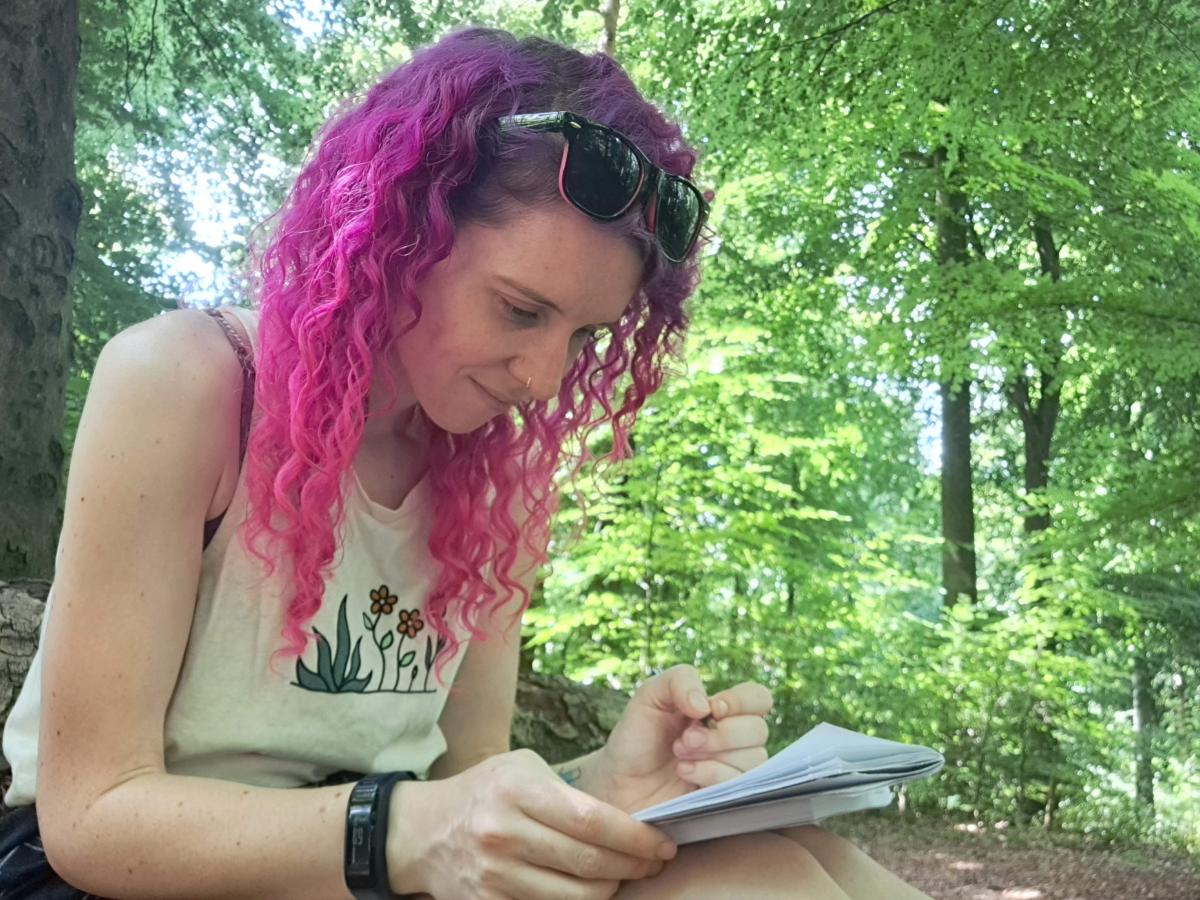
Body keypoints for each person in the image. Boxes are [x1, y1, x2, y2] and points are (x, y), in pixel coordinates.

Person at [0, 27, 931, 900]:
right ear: (397, 238)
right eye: (522, 311)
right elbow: (92, 817)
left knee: (787, 859)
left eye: (585, 337)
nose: (544, 377)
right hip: (112, 878)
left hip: (363, 870)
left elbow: (463, 786)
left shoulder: (496, 482)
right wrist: (398, 831)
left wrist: (608, 780)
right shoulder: (189, 381)